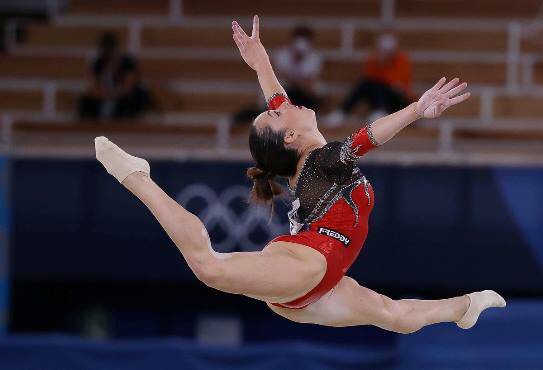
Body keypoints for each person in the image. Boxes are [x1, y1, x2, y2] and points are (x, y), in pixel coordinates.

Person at [94, 16, 505, 334]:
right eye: (275, 112)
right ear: (290, 134)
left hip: (313, 278)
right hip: (308, 267)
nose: (280, 102)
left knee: (393, 314)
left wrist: (261, 61)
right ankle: (137, 177)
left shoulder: (311, 154)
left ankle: (464, 307)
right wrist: (417, 109)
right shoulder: (324, 158)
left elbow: (277, 96)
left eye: (274, 107)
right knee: (209, 268)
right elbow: (365, 138)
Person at [326, 31, 412, 126]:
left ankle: (380, 111)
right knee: (365, 84)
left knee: (380, 85)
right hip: (378, 97)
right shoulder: (374, 60)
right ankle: (342, 112)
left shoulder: (402, 61)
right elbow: (370, 79)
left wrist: (385, 67)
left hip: (396, 101)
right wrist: (380, 64)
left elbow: (398, 86)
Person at [78, 32, 150, 120]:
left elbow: (128, 87)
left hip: (122, 96)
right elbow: (93, 86)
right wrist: (103, 94)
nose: (108, 54)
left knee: (137, 97)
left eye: (110, 50)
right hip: (104, 95)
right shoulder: (98, 63)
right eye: (105, 50)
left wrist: (113, 94)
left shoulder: (127, 62)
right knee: (84, 101)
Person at [274, 24, 323, 110]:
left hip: (305, 93)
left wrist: (297, 81)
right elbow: (280, 75)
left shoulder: (315, 57)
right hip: (286, 91)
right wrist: (295, 60)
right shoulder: (282, 54)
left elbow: (311, 81)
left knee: (318, 92)